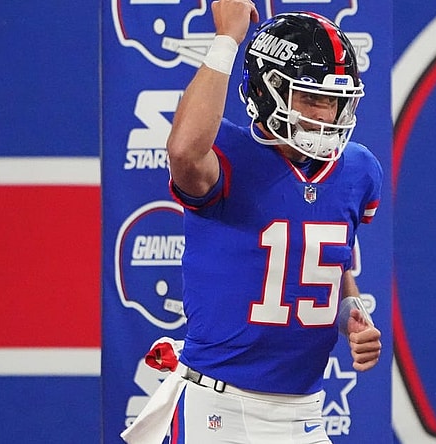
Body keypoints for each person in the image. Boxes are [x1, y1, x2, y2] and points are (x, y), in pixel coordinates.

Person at [122, 1, 382, 443]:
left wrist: (349, 312)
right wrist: (227, 40)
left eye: (335, 101)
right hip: (218, 406)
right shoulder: (227, 153)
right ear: (267, 89)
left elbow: (329, 262)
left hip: (304, 410)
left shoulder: (358, 170)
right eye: (311, 97)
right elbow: (184, 152)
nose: (325, 115)